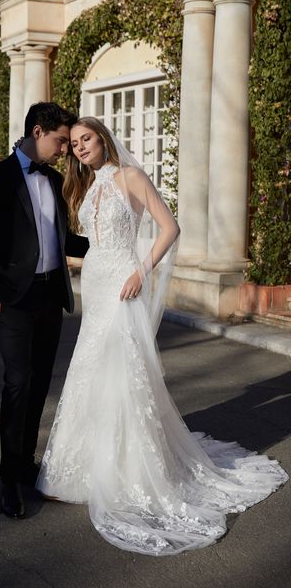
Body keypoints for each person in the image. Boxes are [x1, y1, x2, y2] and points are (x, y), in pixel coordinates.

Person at [36, 117, 288, 556]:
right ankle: (76, 472)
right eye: (73, 143)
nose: (79, 147)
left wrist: (141, 271)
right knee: (89, 371)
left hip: (123, 284)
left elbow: (169, 228)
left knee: (121, 372)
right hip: (95, 284)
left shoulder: (130, 176)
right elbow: (90, 243)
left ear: (103, 139)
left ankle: (128, 471)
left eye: (86, 139)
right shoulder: (90, 184)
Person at [0, 102, 89, 519]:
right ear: (38, 132)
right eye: (60, 141)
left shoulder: (52, 180)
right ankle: (8, 481)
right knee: (17, 383)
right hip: (13, 299)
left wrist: (112, 243)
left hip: (51, 296)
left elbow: (66, 241)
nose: (65, 150)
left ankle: (25, 461)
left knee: (37, 385)